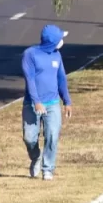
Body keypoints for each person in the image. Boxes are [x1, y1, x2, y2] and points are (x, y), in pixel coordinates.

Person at [22, 25, 72, 181]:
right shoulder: (30, 54)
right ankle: (36, 156)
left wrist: (67, 101)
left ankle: (48, 168)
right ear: (52, 41)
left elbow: (61, 78)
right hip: (32, 104)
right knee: (29, 138)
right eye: (59, 39)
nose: (62, 41)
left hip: (52, 103)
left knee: (52, 135)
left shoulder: (57, 56)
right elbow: (29, 79)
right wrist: (37, 102)